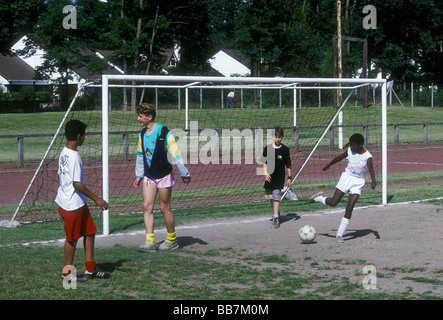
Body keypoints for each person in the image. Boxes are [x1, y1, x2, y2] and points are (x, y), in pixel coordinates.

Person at [55, 119, 110, 282]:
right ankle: (67, 275)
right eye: (84, 135)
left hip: (77, 202)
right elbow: (77, 184)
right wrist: (97, 199)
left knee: (90, 232)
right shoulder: (74, 157)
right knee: (71, 240)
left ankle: (90, 270)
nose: (85, 138)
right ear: (79, 136)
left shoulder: (64, 151)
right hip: (71, 205)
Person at [134, 103, 191, 252]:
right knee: (147, 207)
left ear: (149, 117)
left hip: (164, 175)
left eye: (140, 116)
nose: (138, 119)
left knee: (164, 207)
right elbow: (140, 155)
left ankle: (172, 240)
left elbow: (176, 154)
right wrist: (139, 175)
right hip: (149, 176)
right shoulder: (142, 134)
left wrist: (184, 173)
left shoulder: (165, 133)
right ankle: (149, 242)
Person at [309, 133, 376, 243]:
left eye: (353, 145)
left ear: (361, 144)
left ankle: (339, 235)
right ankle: (319, 198)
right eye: (350, 144)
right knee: (333, 202)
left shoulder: (367, 156)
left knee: (349, 207)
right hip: (346, 178)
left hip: (358, 182)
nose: (351, 147)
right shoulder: (350, 151)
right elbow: (339, 158)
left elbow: (371, 169)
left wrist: (373, 181)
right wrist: (328, 165)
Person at [261, 126, 292, 228]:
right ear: (272, 137)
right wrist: (266, 174)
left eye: (279, 137)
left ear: (282, 137)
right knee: (270, 197)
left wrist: (289, 177)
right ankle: (276, 212)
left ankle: (275, 218)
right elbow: (264, 163)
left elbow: (288, 165)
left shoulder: (285, 150)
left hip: (279, 178)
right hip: (270, 178)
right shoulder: (268, 148)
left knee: (276, 196)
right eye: (276, 137)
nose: (277, 139)